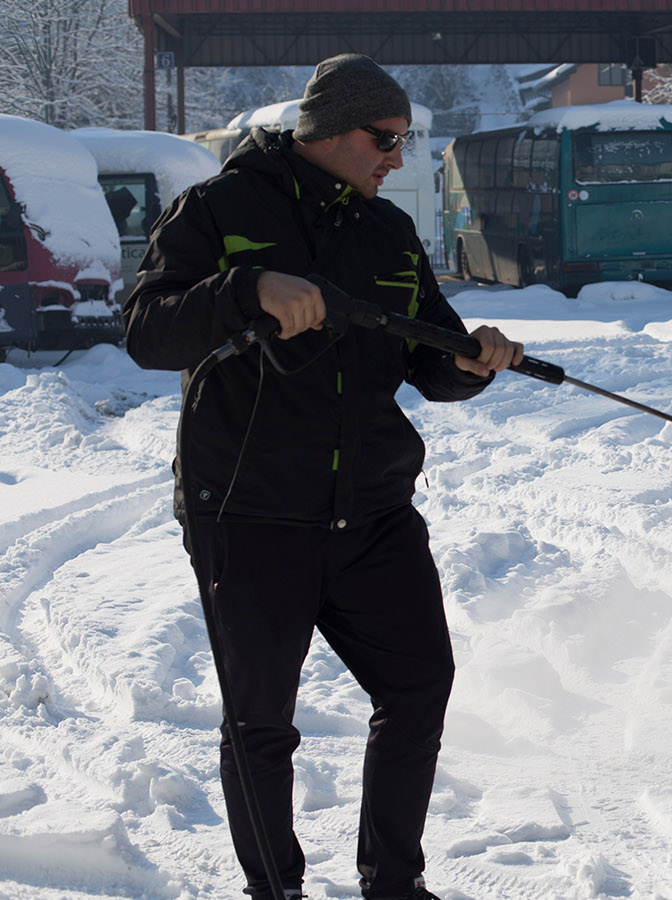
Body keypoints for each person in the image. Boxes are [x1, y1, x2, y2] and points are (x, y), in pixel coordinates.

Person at [123, 54, 522, 900]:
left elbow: (428, 354)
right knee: (260, 723)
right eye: (386, 139)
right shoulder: (219, 210)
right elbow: (148, 331)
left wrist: (472, 362)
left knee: (418, 686)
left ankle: (394, 884)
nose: (397, 159)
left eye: (403, 141)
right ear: (332, 130)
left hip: (372, 511)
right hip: (249, 513)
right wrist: (248, 289)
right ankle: (275, 890)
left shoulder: (388, 231)